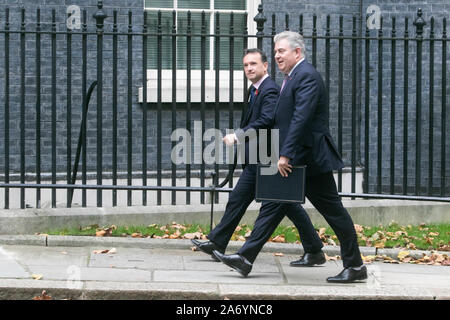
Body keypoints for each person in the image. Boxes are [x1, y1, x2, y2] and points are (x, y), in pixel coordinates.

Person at [213, 32, 367, 283]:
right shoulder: (291, 77)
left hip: (309, 160)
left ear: (297, 52)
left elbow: (301, 119)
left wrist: (285, 153)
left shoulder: (306, 76)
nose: (276, 56)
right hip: (297, 158)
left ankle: (355, 265)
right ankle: (246, 257)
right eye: (275, 52)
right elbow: (282, 118)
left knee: (334, 212)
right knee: (274, 204)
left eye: (281, 51)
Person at [192, 48, 324, 265]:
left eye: (253, 64)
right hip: (257, 159)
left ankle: (314, 250)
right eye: (246, 65)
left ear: (265, 66)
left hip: (268, 158)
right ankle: (217, 241)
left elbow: (266, 120)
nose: (249, 68)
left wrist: (239, 135)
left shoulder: (269, 90)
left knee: (286, 204)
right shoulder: (254, 89)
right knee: (241, 199)